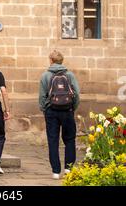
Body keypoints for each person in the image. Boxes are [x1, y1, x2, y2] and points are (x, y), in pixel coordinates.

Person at [39, 50, 80, 180]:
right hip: (67, 110)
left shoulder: (45, 75)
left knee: (53, 140)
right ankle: (68, 168)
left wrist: (44, 109)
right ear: (62, 61)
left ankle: (55, 171)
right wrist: (73, 108)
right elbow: (77, 94)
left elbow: (42, 96)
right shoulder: (70, 75)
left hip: (51, 111)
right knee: (69, 139)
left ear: (51, 60)